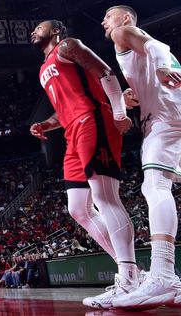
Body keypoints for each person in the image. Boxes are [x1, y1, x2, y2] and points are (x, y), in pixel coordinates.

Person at [29, 20, 138, 309]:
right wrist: (46, 124)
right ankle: (132, 274)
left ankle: (128, 279)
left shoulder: (68, 45)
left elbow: (105, 72)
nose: (33, 31)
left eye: (38, 27)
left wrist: (119, 113)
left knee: (105, 198)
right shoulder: (43, 69)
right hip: (71, 131)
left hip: (93, 120)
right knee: (78, 208)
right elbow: (64, 106)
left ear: (55, 31)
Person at [100, 5, 181, 310]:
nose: (104, 22)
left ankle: (163, 274)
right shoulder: (134, 49)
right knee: (159, 185)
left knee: (155, 185)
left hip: (164, 116)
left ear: (125, 18)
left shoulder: (124, 31)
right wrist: (130, 94)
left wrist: (160, 69)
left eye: (109, 16)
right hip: (168, 112)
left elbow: (157, 47)